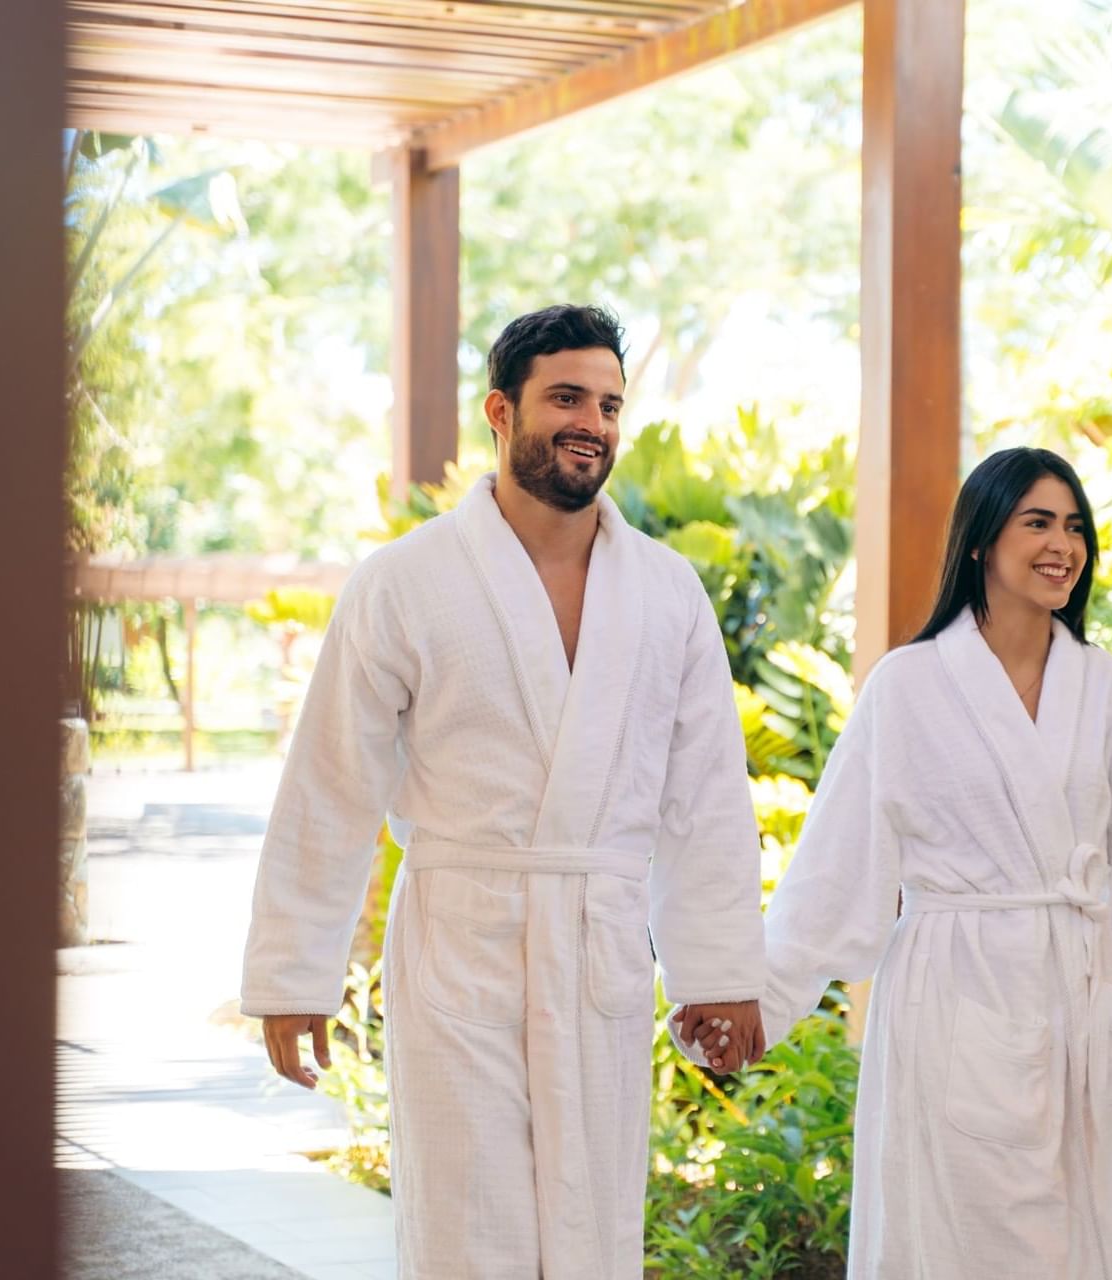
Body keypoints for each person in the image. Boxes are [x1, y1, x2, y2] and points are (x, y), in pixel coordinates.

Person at [241, 304, 767, 1279]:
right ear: (500, 409)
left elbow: (704, 798)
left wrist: (719, 966)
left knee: (594, 1222)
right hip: (459, 944)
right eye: (566, 397)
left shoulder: (666, 592)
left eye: (609, 404)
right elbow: (333, 779)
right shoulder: (404, 581)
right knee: (468, 1222)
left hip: (597, 937)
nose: (592, 422)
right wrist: (292, 974)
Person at [684, 446, 1112, 1277]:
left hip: (1079, 999)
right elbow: (837, 863)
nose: (1060, 544)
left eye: (1073, 527)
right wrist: (757, 999)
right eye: (1036, 522)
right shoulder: (909, 686)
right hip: (954, 998)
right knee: (958, 1236)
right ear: (979, 542)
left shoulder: (1103, 688)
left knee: (1077, 1242)